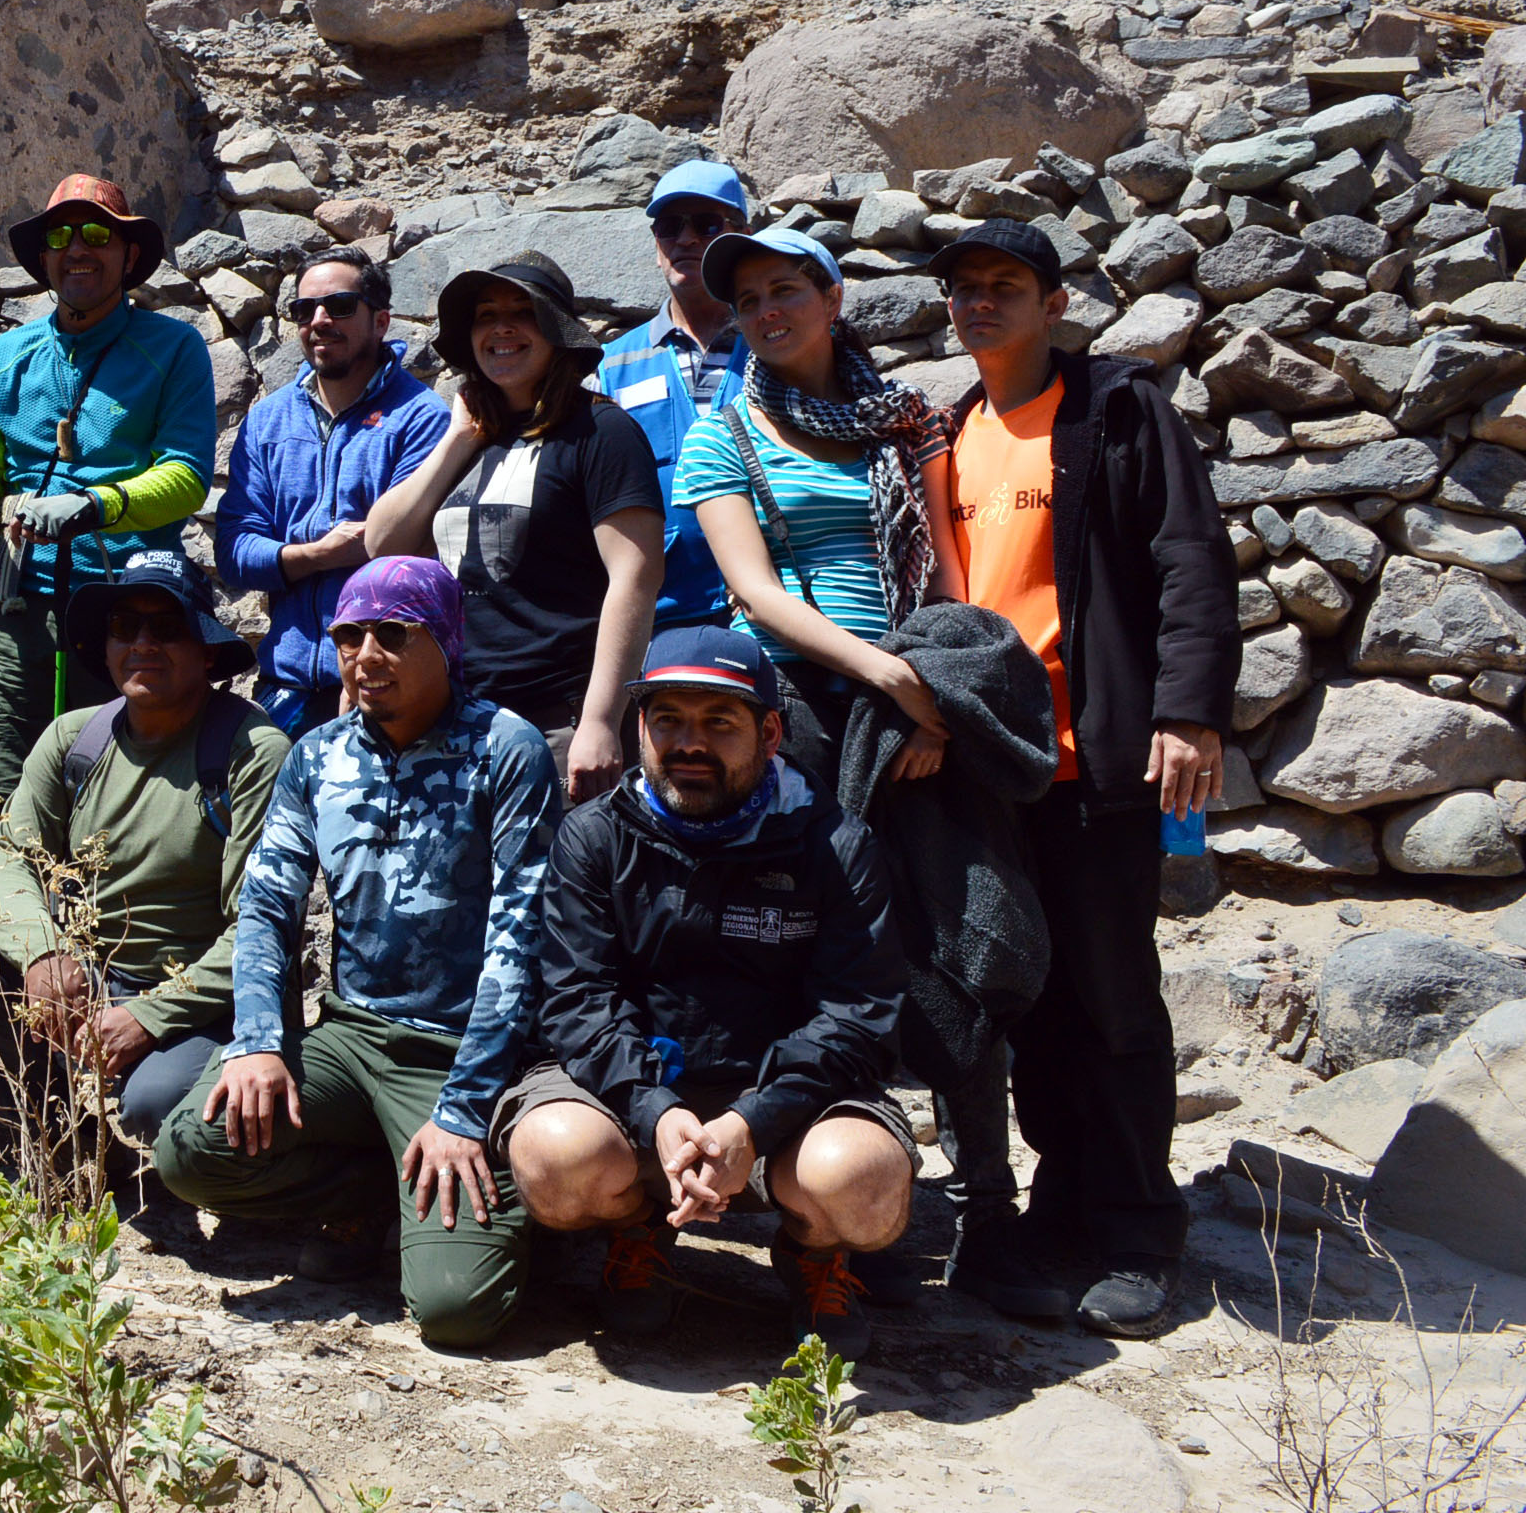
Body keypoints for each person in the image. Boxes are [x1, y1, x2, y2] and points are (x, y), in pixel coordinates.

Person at [934, 219, 1238, 1336]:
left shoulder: (1114, 408)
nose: (979, 303)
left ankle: (1134, 1230)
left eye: (1003, 285)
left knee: (1110, 999)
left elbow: (1188, 555)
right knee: (1025, 996)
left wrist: (1187, 709)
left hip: (1091, 757)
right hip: (990, 771)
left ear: (1052, 302)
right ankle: (1059, 1205)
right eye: (963, 288)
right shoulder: (951, 429)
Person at [155, 558, 559, 1351]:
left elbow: (520, 941)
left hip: (457, 1055)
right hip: (348, 1036)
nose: (365, 654)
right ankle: (375, 1189)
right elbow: (267, 909)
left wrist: (465, 1109)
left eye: (392, 635)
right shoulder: (317, 756)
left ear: (445, 639)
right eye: (349, 635)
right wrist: (260, 1041)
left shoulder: (507, 750)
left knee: (455, 1312)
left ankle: (491, 1211)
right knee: (193, 1150)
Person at [504, 627, 915, 1358]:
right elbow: (575, 1000)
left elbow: (857, 1016)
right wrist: (655, 1110)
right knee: (552, 1157)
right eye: (668, 720)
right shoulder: (593, 837)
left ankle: (815, 1252)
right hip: (632, 1097)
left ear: (771, 731)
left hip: (786, 1108)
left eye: (719, 722)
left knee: (864, 1180)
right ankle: (637, 1230)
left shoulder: (835, 844)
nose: (689, 743)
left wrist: (752, 1122)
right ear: (640, 727)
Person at [0, 550, 288, 1145]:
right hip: (87, 980)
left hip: (199, 1003)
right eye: (124, 627)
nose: (142, 643)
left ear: (209, 652)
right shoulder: (75, 739)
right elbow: (9, 860)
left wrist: (150, 1015)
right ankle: (53, 1128)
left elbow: (262, 930)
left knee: (156, 1106)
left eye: (166, 628)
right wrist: (43, 954)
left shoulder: (253, 752)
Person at [0, 174, 216, 799]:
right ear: (44, 256)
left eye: (96, 234)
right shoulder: (6, 354)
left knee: (125, 796)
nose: (76, 247)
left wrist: (93, 505)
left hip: (128, 611)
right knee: (8, 795)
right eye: (60, 235)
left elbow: (187, 477)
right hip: (21, 612)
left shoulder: (174, 348)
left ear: (128, 255)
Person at [365, 254, 664, 803]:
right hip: (457, 717)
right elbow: (383, 545)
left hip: (557, 719)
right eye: (485, 314)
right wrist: (458, 439)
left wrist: (599, 719)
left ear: (558, 331)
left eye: (522, 312)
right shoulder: (472, 437)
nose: (501, 328)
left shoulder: (601, 431)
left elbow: (636, 579)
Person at [673, 226, 964, 774]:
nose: (766, 312)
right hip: (791, 698)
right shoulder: (719, 437)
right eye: (749, 302)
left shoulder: (905, 421)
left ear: (832, 298)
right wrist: (889, 677)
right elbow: (755, 593)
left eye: (784, 290)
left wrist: (926, 699)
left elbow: (945, 573)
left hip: (910, 683)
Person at [216, 247, 451, 736]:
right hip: (285, 684)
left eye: (340, 306)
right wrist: (318, 555)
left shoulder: (422, 418)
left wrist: (363, 668)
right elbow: (235, 550)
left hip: (386, 684)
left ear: (381, 320)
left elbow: (405, 556)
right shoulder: (269, 419)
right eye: (305, 310)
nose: (320, 320)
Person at [597, 161, 754, 631]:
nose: (685, 240)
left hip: (770, 606)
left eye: (706, 224)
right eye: (669, 227)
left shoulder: (776, 346)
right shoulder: (610, 364)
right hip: (659, 613)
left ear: (743, 236)